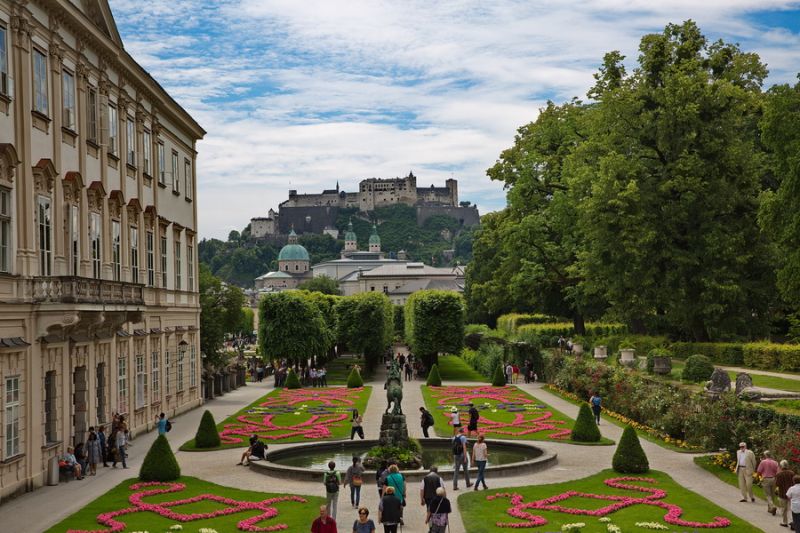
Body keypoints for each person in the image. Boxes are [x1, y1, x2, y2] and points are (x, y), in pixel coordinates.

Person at [757, 450, 780, 515]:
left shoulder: (763, 462)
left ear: (765, 455)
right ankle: (770, 509)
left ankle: (772, 507)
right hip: (773, 479)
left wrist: (757, 478)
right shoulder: (775, 462)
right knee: (772, 494)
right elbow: (778, 472)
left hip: (766, 479)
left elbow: (759, 471)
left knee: (767, 495)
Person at [778, 460, 796, 528]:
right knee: (791, 508)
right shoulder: (792, 473)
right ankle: (792, 522)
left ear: (781, 466)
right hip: (791, 494)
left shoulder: (779, 474)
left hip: (782, 494)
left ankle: (784, 522)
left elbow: (777, 484)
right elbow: (794, 482)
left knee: (783, 509)